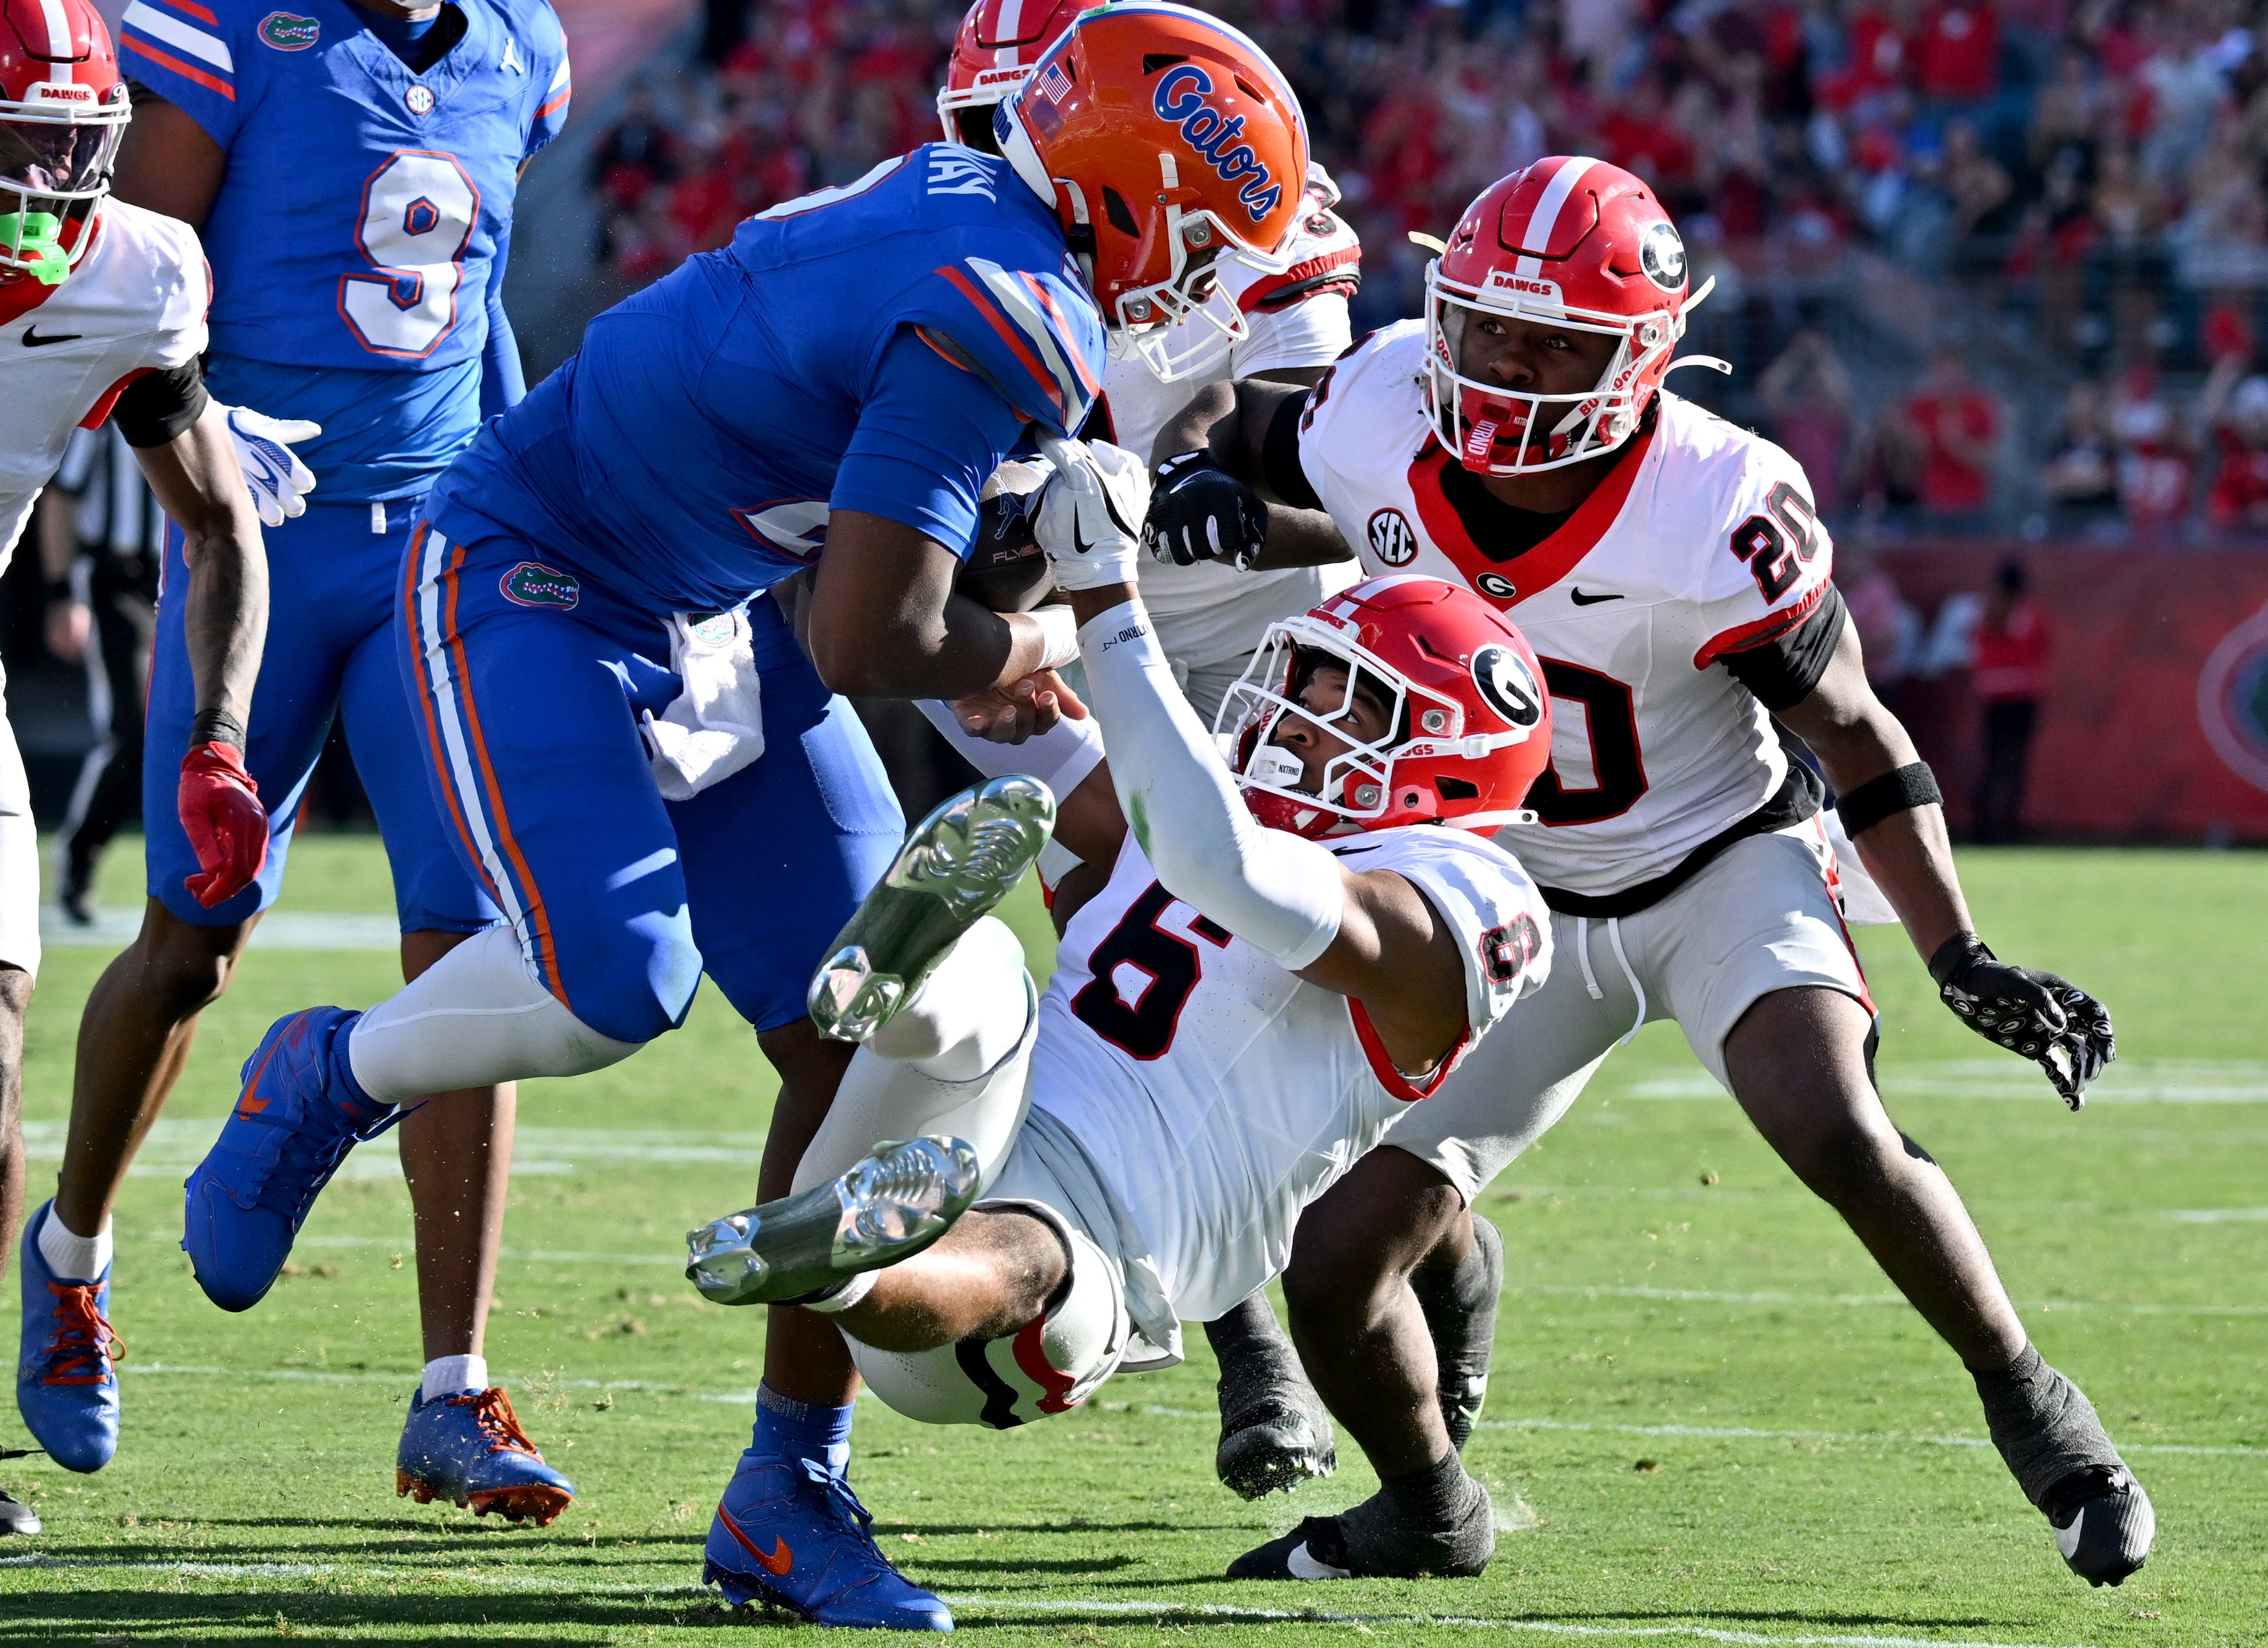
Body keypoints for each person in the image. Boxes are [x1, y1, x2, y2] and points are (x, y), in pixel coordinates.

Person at [177, 4, 1313, 1626]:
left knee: (857, 1032)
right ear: (1136, 195)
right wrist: (1054, 624)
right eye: (1208, 239)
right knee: (605, 984)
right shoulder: (1014, 298)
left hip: (715, 602)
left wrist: (988, 620)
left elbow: (869, 558)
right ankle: (332, 1066)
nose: (1207, 285)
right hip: (536, 569)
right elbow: (875, 637)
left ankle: (788, 1487)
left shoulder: (970, 216)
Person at [1145, 156, 2148, 1589]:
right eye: (1488, 328)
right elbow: (1249, 429)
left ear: (1634, 358)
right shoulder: (1374, 405)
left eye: (1553, 342)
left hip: (1715, 863)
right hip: (1508, 900)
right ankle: (1426, 1506)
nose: (1506, 365)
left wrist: (1955, 948)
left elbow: (1854, 731)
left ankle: (2042, 1416)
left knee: (1835, 1126)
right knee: (1334, 1259)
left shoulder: (1713, 504)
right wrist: (1190, 468)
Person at [687, 553, 1555, 1585]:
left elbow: (1220, 864)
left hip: (1084, 1275)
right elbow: (959, 688)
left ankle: (845, 1260)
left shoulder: (1465, 891)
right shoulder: (1206, 803)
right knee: (986, 977)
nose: (1292, 717)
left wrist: (1106, 590)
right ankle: (887, 997)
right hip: (979, 1114)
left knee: (1033, 1255)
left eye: (1348, 704)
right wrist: (988, 620)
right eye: (1305, 679)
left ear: (1447, 760)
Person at [27, 0, 579, 1526]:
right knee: (194, 935)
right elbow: (136, 275)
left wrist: (522, 470)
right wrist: (208, 430)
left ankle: (452, 1388)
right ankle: (70, 1256)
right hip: (256, 534)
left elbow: (476, 294)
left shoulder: (519, 41)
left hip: (436, 547)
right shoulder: (223, 28)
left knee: (477, 942)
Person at [933, 0, 1364, 1499]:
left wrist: (1222, 496)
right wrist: (993, 612)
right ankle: (1257, 1343)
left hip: (1266, 638)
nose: (1001, 166)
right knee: (1127, 927)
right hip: (1063, 624)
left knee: (1292, 981)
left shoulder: (1260, 218)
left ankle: (1411, 1245)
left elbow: (1344, 488)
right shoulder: (955, 244)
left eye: (1027, 128)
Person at [0, 0, 278, 1536]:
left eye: (73, 140)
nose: (52, 178)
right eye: (20, 139)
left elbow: (217, 520)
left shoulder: (131, 277)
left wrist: (220, 738)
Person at [39, 428, 161, 924]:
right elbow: (60, 497)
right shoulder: (111, 410)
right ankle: (79, 856)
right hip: (119, 582)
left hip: (196, 578)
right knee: (132, 735)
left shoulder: (225, 385)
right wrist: (62, 592)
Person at [1969, 560, 2049, 845]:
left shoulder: (1987, 613)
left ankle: (1987, 826)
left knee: (1994, 763)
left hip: (1997, 698)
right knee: (2011, 765)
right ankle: (2004, 826)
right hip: (2022, 699)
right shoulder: (2029, 616)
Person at [1901, 345, 2001, 532]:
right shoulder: (1922, 408)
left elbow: (1989, 459)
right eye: (1942, 371)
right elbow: (1908, 459)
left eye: (1953, 370)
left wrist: (1958, 445)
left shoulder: (1980, 408)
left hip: (1971, 507)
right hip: (1932, 504)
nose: (1948, 378)